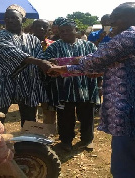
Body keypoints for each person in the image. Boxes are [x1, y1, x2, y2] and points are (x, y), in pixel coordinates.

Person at [48, 2, 135, 177]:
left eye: (118, 16)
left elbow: (95, 60)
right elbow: (115, 62)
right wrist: (97, 69)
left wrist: (62, 69)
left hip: (131, 113)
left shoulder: (131, 36)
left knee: (124, 166)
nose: (112, 20)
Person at [0, 4, 52, 127]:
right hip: (3, 82)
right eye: (7, 18)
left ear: (23, 20)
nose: (9, 20)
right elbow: (10, 52)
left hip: (28, 82)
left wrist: (52, 64)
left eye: (14, 18)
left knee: (29, 118)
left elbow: (41, 58)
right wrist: (39, 62)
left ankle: (27, 143)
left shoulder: (33, 40)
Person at [41, 18, 99, 151]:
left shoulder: (88, 45)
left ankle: (87, 139)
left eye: (68, 30)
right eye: (62, 31)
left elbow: (97, 61)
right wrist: (54, 63)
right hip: (63, 88)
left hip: (86, 87)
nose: (64, 33)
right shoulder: (54, 46)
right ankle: (66, 141)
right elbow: (46, 62)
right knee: (65, 117)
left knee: (87, 115)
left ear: (76, 31)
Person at [31, 19, 56, 124]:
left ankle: (48, 132)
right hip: (31, 80)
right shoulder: (24, 42)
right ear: (32, 28)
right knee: (31, 108)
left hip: (49, 82)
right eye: (38, 26)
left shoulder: (54, 45)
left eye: (44, 26)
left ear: (48, 30)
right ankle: (32, 131)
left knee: (49, 108)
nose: (41, 28)